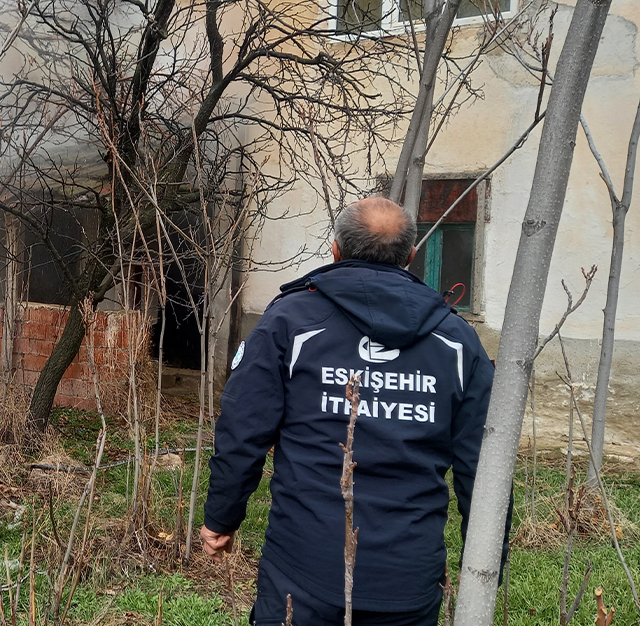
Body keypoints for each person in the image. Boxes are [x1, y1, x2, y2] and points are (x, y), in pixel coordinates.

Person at [200, 197, 506, 626]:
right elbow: (485, 464)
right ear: (411, 257)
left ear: (335, 250)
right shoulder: (457, 340)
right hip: (407, 577)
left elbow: (242, 429)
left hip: (303, 575)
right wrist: (493, 560)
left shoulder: (289, 320)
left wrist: (221, 518)